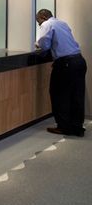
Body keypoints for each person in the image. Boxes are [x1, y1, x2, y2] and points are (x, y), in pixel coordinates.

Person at [35, 9, 87, 137]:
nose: (39, 25)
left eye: (38, 21)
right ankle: (77, 127)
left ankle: (63, 127)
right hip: (79, 61)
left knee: (59, 94)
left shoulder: (47, 24)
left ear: (43, 16)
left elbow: (43, 44)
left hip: (66, 64)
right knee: (77, 96)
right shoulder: (62, 23)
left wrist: (37, 45)